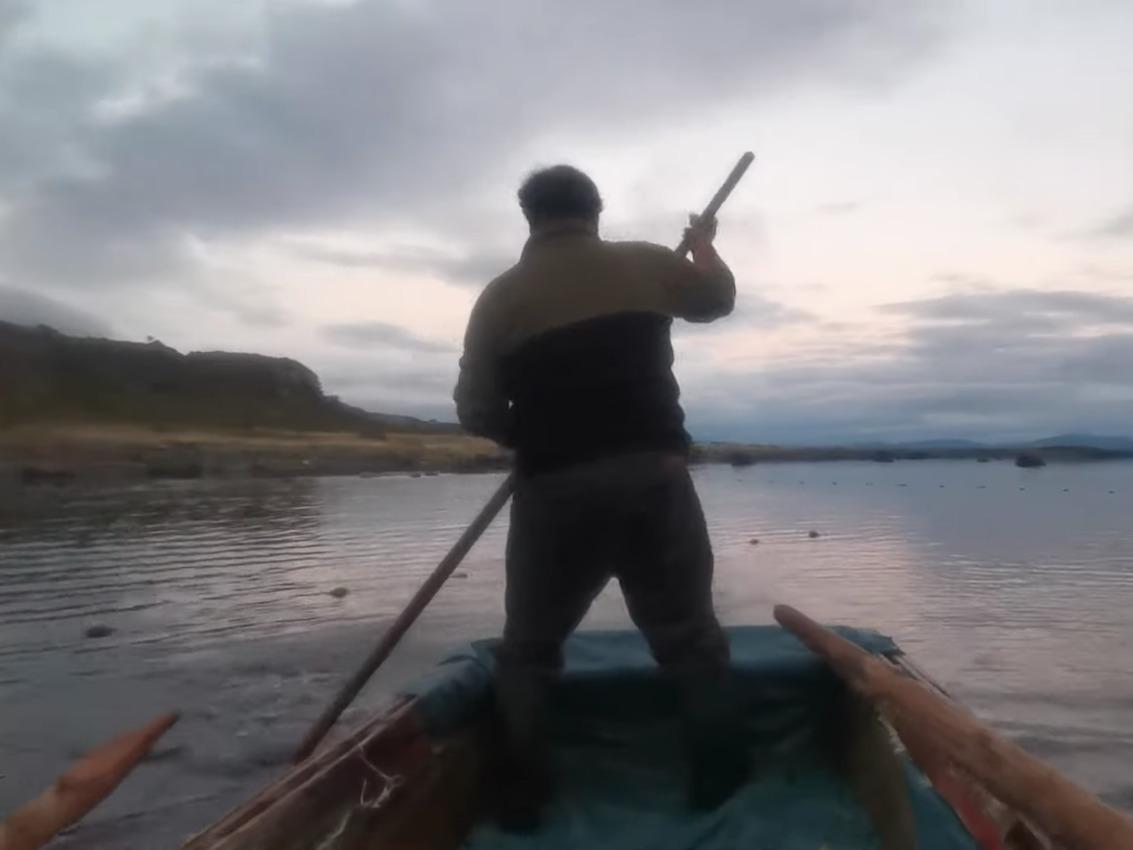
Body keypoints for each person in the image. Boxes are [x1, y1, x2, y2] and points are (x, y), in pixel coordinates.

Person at [454, 165, 746, 827]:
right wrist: (701, 243)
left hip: (553, 488)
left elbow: (474, 409)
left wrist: (527, 435)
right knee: (690, 640)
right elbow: (714, 300)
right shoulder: (646, 264)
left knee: (527, 651)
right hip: (654, 478)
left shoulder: (498, 299)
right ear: (595, 212)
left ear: (528, 218)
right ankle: (719, 779)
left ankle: (523, 799)